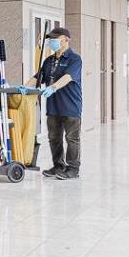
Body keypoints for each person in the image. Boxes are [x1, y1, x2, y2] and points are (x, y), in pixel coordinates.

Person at [33, 26, 83, 180]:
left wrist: (53, 87)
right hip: (53, 106)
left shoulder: (75, 59)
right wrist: (23, 88)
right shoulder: (49, 60)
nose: (52, 42)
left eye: (55, 39)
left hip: (71, 105)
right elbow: (37, 77)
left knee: (72, 139)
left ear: (65, 40)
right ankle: (58, 166)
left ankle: (73, 169)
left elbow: (68, 77)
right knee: (54, 138)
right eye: (51, 39)